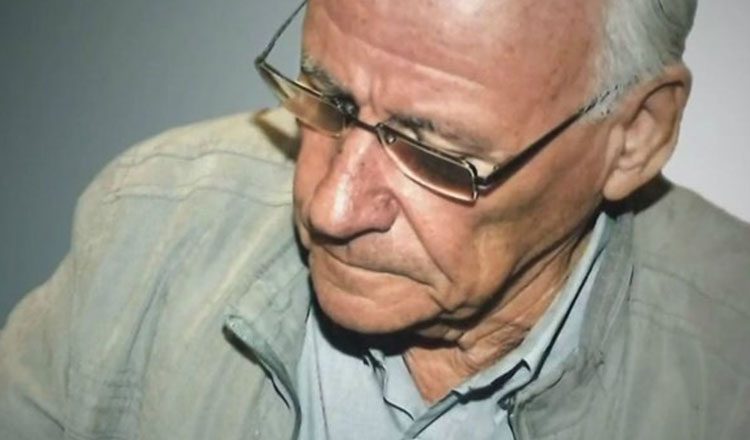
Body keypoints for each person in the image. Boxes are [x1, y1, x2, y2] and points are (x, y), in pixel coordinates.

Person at [1, 0, 748, 438]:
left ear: (634, 135)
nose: (329, 207)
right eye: (326, 101)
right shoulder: (152, 221)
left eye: (433, 153)